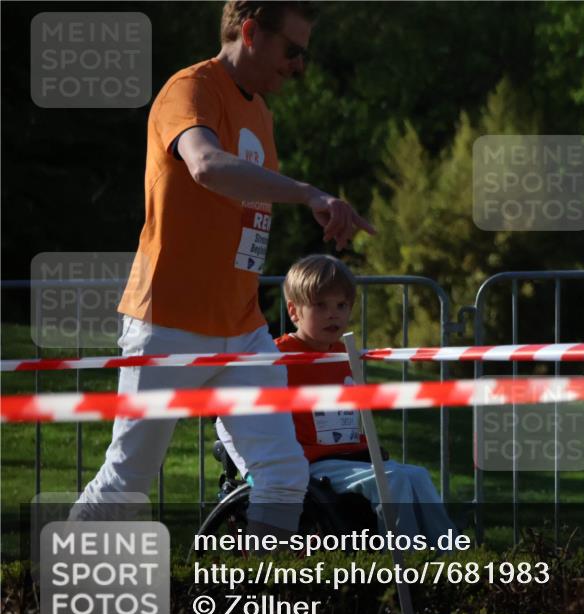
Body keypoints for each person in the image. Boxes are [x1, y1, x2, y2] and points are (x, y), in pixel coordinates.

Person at [73, 2, 375, 539]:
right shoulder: (188, 90)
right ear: (252, 33)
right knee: (126, 483)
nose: (300, 65)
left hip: (243, 329)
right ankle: (48, 596)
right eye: (293, 50)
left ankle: (256, 604)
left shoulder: (261, 112)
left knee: (284, 475)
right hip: (166, 320)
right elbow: (207, 166)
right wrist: (308, 194)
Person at [216, 255, 456, 543]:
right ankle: (405, 563)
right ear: (294, 311)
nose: (334, 314)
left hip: (352, 457)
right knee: (393, 482)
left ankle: (449, 556)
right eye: (321, 305)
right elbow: (230, 417)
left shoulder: (345, 354)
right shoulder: (276, 355)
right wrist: (254, 470)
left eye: (342, 305)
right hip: (311, 463)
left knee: (418, 475)